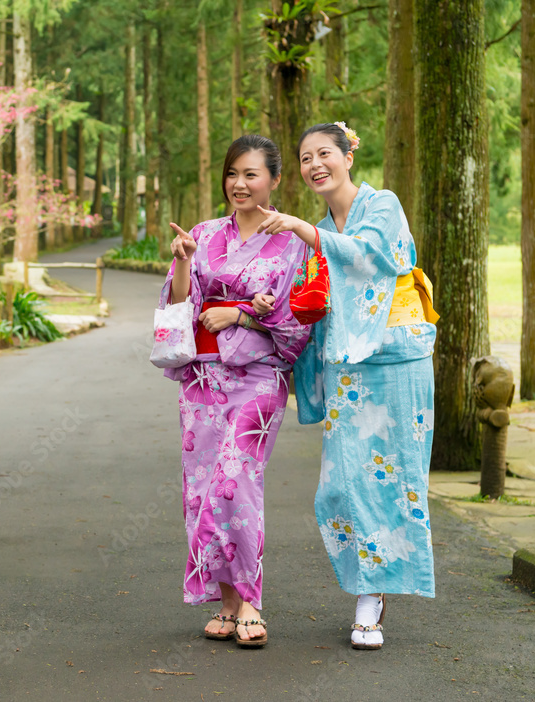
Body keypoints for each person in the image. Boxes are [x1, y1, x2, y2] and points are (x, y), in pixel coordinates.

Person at [255, 122, 439, 651]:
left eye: (325, 154)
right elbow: (308, 297)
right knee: (341, 484)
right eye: (306, 158)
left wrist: (302, 232)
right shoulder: (313, 229)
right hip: (346, 366)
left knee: (394, 474)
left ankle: (371, 599)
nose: (316, 165)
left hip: (397, 359)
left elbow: (368, 255)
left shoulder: (383, 205)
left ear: (347, 156)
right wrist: (271, 306)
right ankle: (368, 586)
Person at [160, 135, 311, 647]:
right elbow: (183, 307)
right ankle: (225, 602)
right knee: (203, 487)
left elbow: (301, 316)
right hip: (203, 378)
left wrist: (242, 312)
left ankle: (250, 600)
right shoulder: (204, 232)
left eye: (251, 174)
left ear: (274, 180)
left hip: (259, 377)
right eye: (232, 174)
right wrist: (182, 260)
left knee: (236, 480)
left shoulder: (293, 241)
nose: (239, 184)